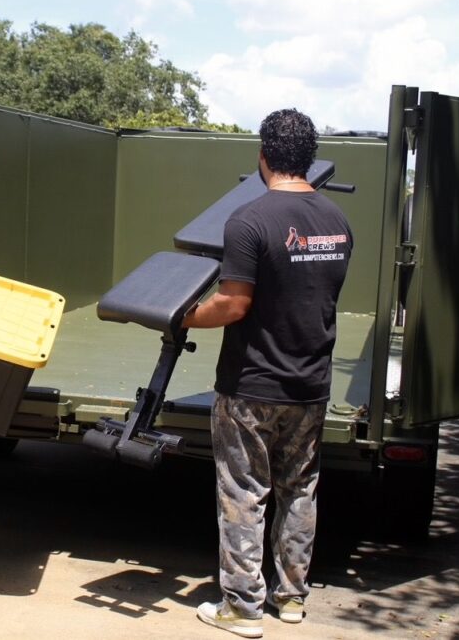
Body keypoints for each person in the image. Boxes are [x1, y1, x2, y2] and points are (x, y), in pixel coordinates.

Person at [182, 109, 353, 638]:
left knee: (243, 492)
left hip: (252, 386)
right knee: (300, 490)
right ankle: (293, 598)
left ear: (262, 157)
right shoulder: (337, 223)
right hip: (310, 384)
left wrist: (183, 315)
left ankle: (242, 607)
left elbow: (233, 304)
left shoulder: (249, 220)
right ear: (309, 157)